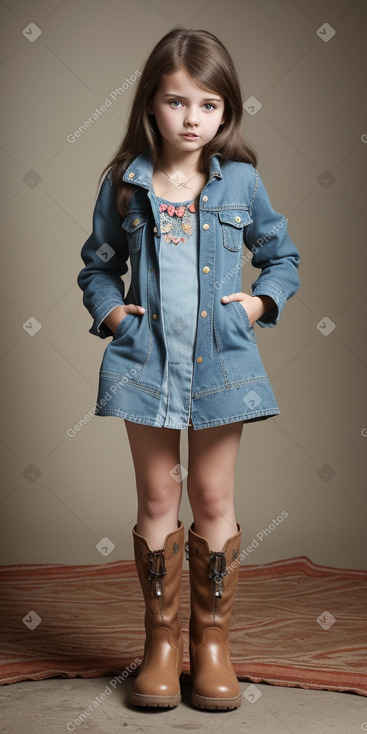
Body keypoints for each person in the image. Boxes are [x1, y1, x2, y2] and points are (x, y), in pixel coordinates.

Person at [77, 27, 300, 711]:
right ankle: (160, 646)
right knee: (154, 503)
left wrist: (259, 302)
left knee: (211, 501)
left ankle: (210, 646)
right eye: (177, 103)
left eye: (208, 105)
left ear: (225, 112)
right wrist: (115, 317)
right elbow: (97, 267)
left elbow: (281, 258)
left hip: (221, 367)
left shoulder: (242, 182)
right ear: (150, 106)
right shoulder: (126, 184)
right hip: (145, 366)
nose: (192, 119)